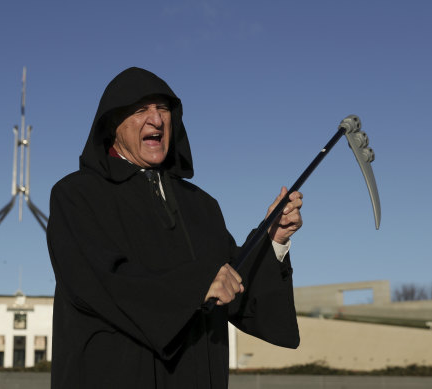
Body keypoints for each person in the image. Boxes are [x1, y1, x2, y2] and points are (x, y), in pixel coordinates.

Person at [47, 67, 304, 388]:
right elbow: (100, 282)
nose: (156, 119)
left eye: (163, 109)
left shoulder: (202, 206)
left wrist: (272, 241)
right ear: (113, 125)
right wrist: (195, 286)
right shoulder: (76, 195)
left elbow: (234, 288)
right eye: (140, 110)